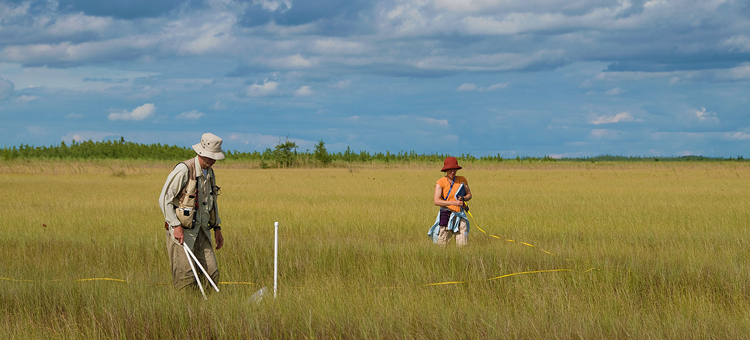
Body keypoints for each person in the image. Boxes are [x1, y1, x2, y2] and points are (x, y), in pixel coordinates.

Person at [159, 133, 225, 290]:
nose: (213, 160)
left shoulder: (210, 172)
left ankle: (207, 310)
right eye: (211, 156)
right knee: (186, 277)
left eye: (215, 157)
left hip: (203, 230)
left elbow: (212, 202)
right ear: (201, 152)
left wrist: (217, 228)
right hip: (182, 233)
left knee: (212, 273)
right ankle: (186, 310)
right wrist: (176, 226)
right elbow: (164, 198)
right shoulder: (184, 169)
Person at [428, 157, 472, 246]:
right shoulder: (440, 182)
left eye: (454, 169)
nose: (453, 172)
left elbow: (469, 195)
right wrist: (454, 203)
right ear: (446, 170)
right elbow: (436, 201)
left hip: (460, 215)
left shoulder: (462, 180)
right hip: (446, 215)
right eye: (450, 169)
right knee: (442, 244)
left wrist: (463, 198)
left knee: (463, 244)